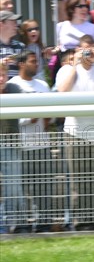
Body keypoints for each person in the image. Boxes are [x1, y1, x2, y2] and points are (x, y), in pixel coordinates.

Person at [55, 34, 94, 230]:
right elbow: (62, 91)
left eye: (91, 49)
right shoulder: (66, 70)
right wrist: (75, 65)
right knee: (78, 181)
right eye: (84, 49)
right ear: (78, 51)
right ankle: (80, 222)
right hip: (75, 132)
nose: (88, 53)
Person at [8, 50, 53, 231]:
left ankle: (43, 225)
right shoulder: (12, 85)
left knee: (43, 189)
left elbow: (53, 110)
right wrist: (29, 118)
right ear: (21, 64)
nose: (37, 64)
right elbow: (9, 118)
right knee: (21, 190)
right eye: (33, 61)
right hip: (20, 148)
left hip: (42, 145)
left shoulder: (42, 85)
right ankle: (21, 226)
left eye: (37, 61)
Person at [0, 62, 27, 234]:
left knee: (13, 186)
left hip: (11, 145)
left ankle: (13, 225)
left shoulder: (14, 89)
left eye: (3, 74)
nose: (1, 78)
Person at [0, 10, 25, 79]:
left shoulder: (21, 46)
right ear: (1, 24)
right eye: (13, 22)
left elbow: (26, 71)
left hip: (16, 88)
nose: (16, 25)